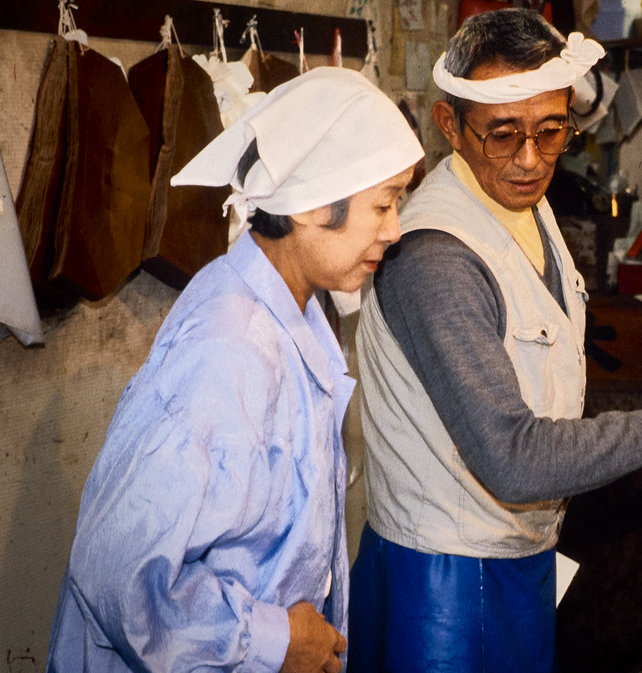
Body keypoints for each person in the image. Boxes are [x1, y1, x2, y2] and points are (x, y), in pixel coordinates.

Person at [347, 9, 642, 673]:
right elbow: (513, 456)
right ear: (448, 123)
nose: (531, 160)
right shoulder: (437, 258)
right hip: (443, 583)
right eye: (504, 134)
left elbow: (546, 401)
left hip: (519, 558)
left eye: (551, 131)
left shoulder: (520, 201)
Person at [45, 67, 423, 673]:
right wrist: (275, 641)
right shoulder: (231, 349)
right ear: (307, 207)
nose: (394, 229)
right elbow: (118, 573)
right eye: (382, 205)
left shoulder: (291, 309)